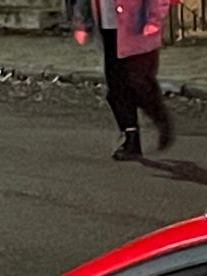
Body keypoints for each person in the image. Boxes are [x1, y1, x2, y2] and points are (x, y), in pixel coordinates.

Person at [71, 0, 174, 160]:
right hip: (109, 29)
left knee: (138, 83)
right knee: (116, 87)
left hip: (136, 28)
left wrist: (153, 19)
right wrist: (81, 23)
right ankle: (130, 137)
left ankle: (160, 118)